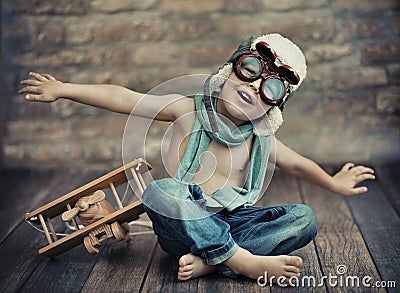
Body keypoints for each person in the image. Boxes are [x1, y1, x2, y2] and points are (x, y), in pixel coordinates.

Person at [18, 33, 375, 283]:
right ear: (230, 69)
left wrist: (333, 182)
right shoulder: (186, 111)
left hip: (232, 223)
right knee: (163, 190)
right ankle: (239, 260)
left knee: (304, 219)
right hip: (182, 226)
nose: (253, 86)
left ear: (274, 106)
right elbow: (125, 97)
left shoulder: (262, 139)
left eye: (270, 87)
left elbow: (298, 164)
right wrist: (64, 90)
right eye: (251, 70)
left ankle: (213, 260)